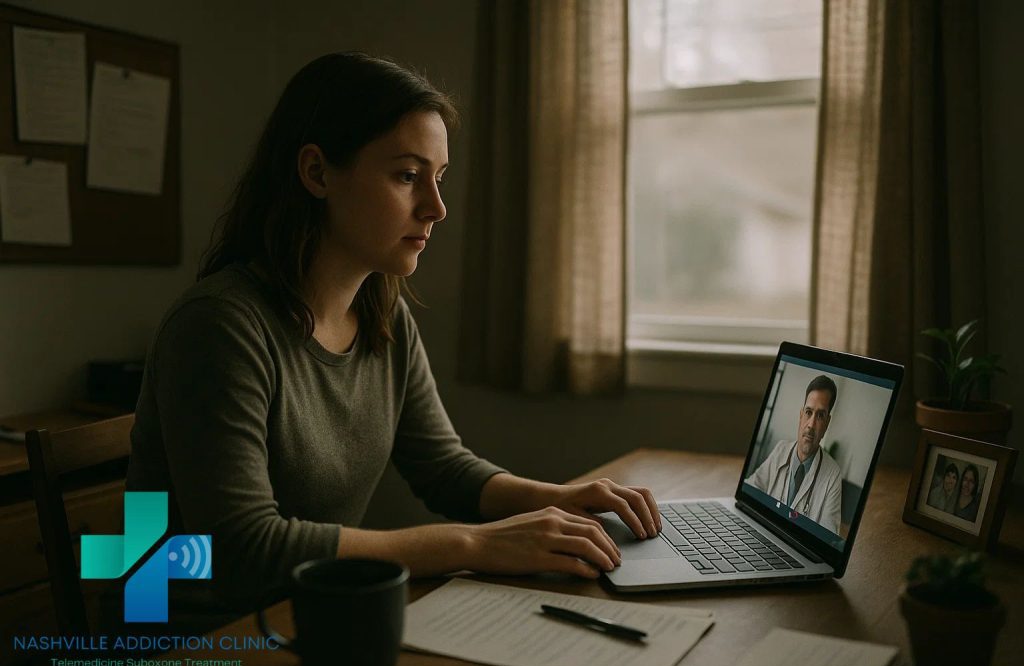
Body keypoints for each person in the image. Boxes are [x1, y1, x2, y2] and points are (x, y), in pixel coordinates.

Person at [125, 53, 660, 627]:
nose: (437, 206)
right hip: (189, 638)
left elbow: (442, 468)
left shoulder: (383, 313)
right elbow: (244, 552)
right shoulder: (219, 325)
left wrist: (554, 499)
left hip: (310, 613)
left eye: (439, 177)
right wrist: (475, 545)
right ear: (317, 173)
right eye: (407, 176)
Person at [744, 375, 843, 534]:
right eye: (808, 412)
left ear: (827, 423)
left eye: (820, 415)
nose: (811, 424)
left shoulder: (833, 474)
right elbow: (750, 489)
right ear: (801, 415)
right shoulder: (781, 450)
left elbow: (828, 535)